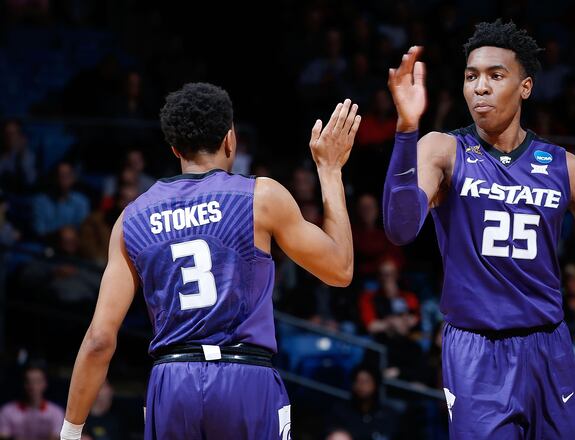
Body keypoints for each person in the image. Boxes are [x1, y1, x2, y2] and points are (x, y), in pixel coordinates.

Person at [382, 20, 575, 438]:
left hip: (549, 347)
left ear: (525, 87)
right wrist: (406, 129)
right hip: (477, 349)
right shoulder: (441, 150)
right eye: (471, 76)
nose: (480, 87)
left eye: (496, 76)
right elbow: (400, 229)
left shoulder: (568, 169)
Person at [60, 83, 362, 440]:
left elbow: (98, 339)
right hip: (244, 377)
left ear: (174, 148)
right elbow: (341, 270)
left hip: (172, 383)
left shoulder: (131, 219)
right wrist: (329, 170)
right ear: (230, 139)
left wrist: (70, 430)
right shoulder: (260, 196)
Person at [0, 365, 65, 440]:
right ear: (23, 384)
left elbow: (56, 437)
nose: (33, 386)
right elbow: (4, 436)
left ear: (45, 384)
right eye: (28, 381)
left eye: (37, 381)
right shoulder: (7, 411)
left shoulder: (56, 412)